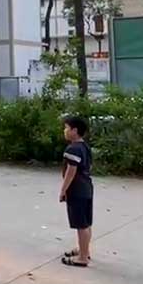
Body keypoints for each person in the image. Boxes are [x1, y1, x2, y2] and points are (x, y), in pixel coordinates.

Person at [60, 115, 94, 268]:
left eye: (66, 128)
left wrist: (63, 190)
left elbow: (71, 172)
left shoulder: (72, 149)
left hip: (77, 190)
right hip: (87, 187)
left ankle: (82, 258)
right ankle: (84, 250)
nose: (64, 131)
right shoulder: (84, 146)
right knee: (86, 223)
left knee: (81, 224)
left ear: (74, 130)